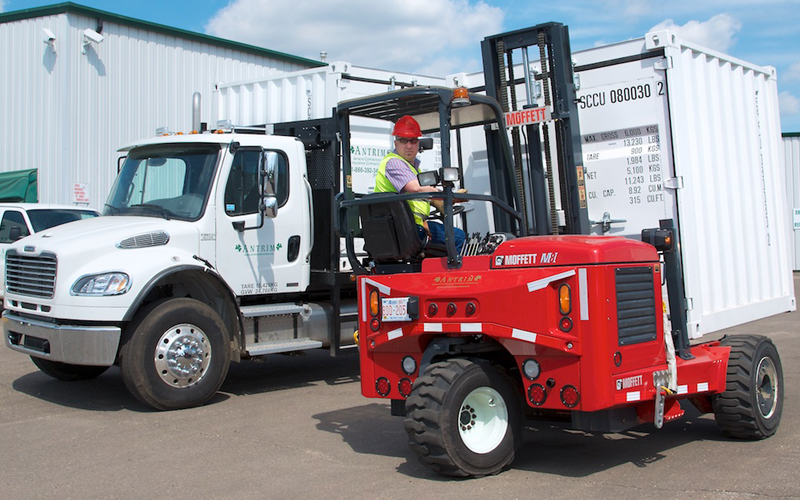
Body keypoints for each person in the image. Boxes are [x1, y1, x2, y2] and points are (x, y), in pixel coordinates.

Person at [374, 115, 465, 252]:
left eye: (413, 141)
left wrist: (438, 200)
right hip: (402, 227)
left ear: (418, 143)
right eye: (404, 141)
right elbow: (415, 188)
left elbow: (418, 193)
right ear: (396, 143)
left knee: (450, 235)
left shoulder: (412, 168)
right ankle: (455, 273)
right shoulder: (394, 162)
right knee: (458, 237)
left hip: (408, 224)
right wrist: (446, 195)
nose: (409, 146)